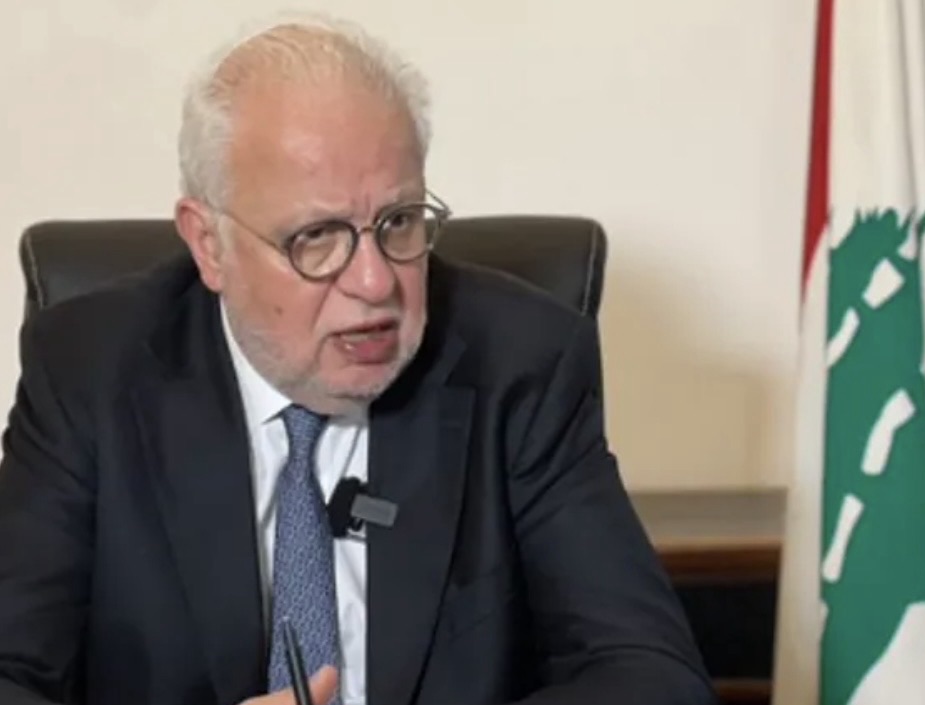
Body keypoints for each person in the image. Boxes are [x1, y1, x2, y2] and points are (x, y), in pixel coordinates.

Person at [0, 15, 714, 705]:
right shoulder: (90, 372)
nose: (375, 282)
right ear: (209, 244)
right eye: (316, 236)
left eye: (398, 222)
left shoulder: (520, 364)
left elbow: (652, 676)